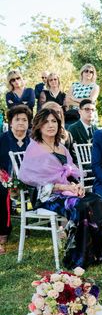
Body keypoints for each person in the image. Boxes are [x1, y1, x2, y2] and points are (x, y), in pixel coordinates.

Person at [18, 108, 102, 267]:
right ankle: (78, 258)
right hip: (47, 197)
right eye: (46, 122)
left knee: (96, 199)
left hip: (66, 192)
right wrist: (61, 187)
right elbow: (28, 178)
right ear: (39, 126)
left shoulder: (61, 147)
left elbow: (70, 173)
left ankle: (99, 252)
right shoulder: (34, 148)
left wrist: (77, 186)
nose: (50, 125)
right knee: (80, 205)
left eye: (54, 121)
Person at [0, 105, 32, 255]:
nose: (21, 122)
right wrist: (7, 180)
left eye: (24, 120)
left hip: (31, 179)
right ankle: (3, 231)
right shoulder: (2, 139)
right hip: (6, 177)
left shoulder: (34, 139)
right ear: (10, 122)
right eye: (17, 119)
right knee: (1, 191)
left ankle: (36, 222)